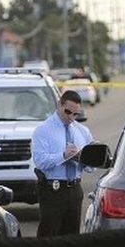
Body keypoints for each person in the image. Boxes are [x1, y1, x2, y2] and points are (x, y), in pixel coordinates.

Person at [31, 90, 94, 237]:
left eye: (76, 114)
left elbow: (92, 166)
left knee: (72, 237)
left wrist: (81, 158)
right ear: (59, 105)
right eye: (68, 112)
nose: (71, 117)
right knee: (49, 236)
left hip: (75, 189)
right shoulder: (43, 130)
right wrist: (63, 155)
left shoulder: (82, 131)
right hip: (52, 190)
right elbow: (40, 162)